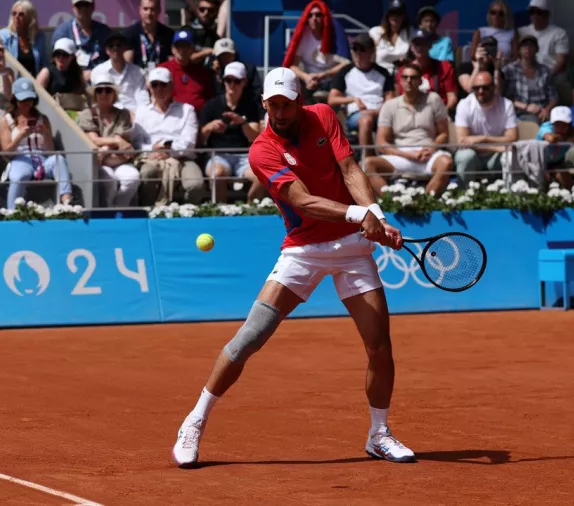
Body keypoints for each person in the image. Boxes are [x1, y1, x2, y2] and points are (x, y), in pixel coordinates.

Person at [170, 66, 411, 468]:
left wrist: (377, 216)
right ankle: (194, 422)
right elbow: (301, 200)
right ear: (264, 103)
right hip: (303, 250)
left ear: (299, 102)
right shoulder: (261, 150)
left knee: (380, 345)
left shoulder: (323, 116)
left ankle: (379, 434)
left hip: (352, 249)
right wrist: (359, 215)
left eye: (287, 104)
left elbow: (350, 170)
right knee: (249, 338)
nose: (280, 112)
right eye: (273, 104)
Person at [363, 63, 453, 197]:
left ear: (421, 81)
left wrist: (431, 148)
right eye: (405, 77)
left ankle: (426, 203)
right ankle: (394, 203)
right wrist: (407, 155)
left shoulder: (433, 99)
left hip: (427, 153)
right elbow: (381, 143)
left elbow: (444, 134)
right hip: (401, 155)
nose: (409, 81)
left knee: (446, 162)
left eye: (413, 77)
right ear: (400, 80)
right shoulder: (390, 105)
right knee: (368, 164)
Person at [133, 67, 205, 206]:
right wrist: (151, 149)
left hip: (182, 158)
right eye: (155, 85)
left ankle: (184, 215)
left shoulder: (187, 110)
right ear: (149, 87)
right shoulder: (142, 111)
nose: (159, 89)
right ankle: (149, 212)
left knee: (196, 185)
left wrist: (168, 150)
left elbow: (189, 143)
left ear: (171, 86)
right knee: (147, 174)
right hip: (150, 158)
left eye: (163, 84)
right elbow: (136, 142)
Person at [0, 78, 73, 209]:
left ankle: (67, 200)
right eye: (23, 100)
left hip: (41, 160)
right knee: (19, 175)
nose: (27, 104)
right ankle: (12, 211)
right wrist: (20, 136)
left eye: (30, 100)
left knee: (59, 159)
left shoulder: (43, 119)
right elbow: (6, 153)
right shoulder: (7, 120)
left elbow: (50, 151)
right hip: (20, 159)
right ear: (15, 100)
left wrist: (45, 133)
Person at [199, 62, 264, 203]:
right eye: (228, 80)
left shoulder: (250, 106)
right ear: (223, 81)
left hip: (244, 156)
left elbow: (254, 137)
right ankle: (221, 211)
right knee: (217, 174)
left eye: (237, 81)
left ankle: (249, 207)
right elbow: (199, 139)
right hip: (218, 155)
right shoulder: (211, 105)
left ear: (244, 82)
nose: (232, 85)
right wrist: (209, 128)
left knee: (263, 176)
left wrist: (242, 123)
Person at [77, 73, 139, 207]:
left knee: (132, 178)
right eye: (99, 90)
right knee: (109, 180)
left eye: (108, 90)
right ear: (95, 94)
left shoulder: (123, 114)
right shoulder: (87, 114)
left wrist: (104, 149)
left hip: (116, 159)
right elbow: (94, 140)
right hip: (99, 163)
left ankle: (119, 208)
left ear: (114, 94)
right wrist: (116, 142)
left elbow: (120, 140)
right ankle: (109, 211)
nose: (103, 93)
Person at [327, 33, 394, 155]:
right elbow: (332, 99)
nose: (358, 53)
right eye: (355, 49)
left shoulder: (383, 73)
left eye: (362, 49)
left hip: (380, 113)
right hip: (356, 115)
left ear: (371, 51)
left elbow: (390, 101)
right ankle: (368, 161)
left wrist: (376, 112)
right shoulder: (345, 71)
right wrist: (353, 99)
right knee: (366, 120)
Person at [453, 71, 518, 185]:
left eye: (485, 87)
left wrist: (483, 139)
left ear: (493, 87)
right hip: (475, 155)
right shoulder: (464, 104)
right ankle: (462, 197)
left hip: (496, 158)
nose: (480, 91)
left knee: (510, 156)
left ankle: (511, 196)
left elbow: (512, 138)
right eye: (476, 88)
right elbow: (463, 142)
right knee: (465, 156)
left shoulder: (506, 105)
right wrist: (497, 148)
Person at [92, 31, 150, 115]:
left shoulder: (138, 72)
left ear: (124, 48)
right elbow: (97, 100)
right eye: (111, 46)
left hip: (134, 117)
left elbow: (143, 100)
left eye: (119, 45)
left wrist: (139, 117)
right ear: (107, 50)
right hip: (108, 116)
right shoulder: (97, 72)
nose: (115, 48)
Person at [503, 35, 557, 124]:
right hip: (520, 112)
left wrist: (546, 110)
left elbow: (553, 97)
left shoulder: (544, 70)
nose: (527, 48)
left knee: (560, 122)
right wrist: (526, 107)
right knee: (533, 122)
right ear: (519, 50)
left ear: (537, 49)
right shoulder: (509, 70)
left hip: (543, 111)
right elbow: (504, 97)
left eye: (531, 45)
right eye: (524, 45)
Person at [158, 28, 215, 111]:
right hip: (172, 117)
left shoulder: (202, 72)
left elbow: (210, 99)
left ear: (192, 49)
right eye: (178, 46)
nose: (182, 50)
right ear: (172, 49)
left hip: (198, 117)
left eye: (186, 46)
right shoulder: (162, 69)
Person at [51, 0, 111, 74]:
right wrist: (79, 76)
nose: (83, 9)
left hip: (101, 78)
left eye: (86, 5)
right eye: (79, 5)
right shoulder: (62, 32)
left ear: (93, 7)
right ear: (73, 8)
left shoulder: (104, 31)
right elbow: (56, 63)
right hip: (72, 79)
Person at [0, 0, 47, 77]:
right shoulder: (4, 35)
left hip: (34, 83)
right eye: (14, 13)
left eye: (21, 14)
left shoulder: (39, 36)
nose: (16, 17)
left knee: (45, 72)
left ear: (30, 18)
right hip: (11, 80)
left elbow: (43, 63)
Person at [122, 0, 174, 70]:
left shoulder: (169, 34)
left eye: (152, 9)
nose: (149, 13)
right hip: (137, 78)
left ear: (159, 10)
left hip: (161, 78)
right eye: (145, 9)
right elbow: (125, 65)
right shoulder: (129, 34)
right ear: (140, 10)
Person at [536, 105, 574, 188]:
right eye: (557, 124)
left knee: (566, 180)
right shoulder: (546, 127)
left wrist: (571, 138)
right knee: (542, 183)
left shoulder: (572, 131)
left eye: (564, 125)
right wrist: (564, 138)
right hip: (539, 163)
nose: (560, 128)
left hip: (557, 163)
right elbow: (550, 138)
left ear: (569, 125)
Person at [369, 0, 411, 74]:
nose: (395, 17)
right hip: (379, 76)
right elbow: (368, 56)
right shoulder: (376, 32)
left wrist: (408, 60)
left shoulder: (411, 33)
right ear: (387, 16)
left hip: (402, 77)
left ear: (404, 16)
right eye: (392, 14)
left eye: (399, 14)